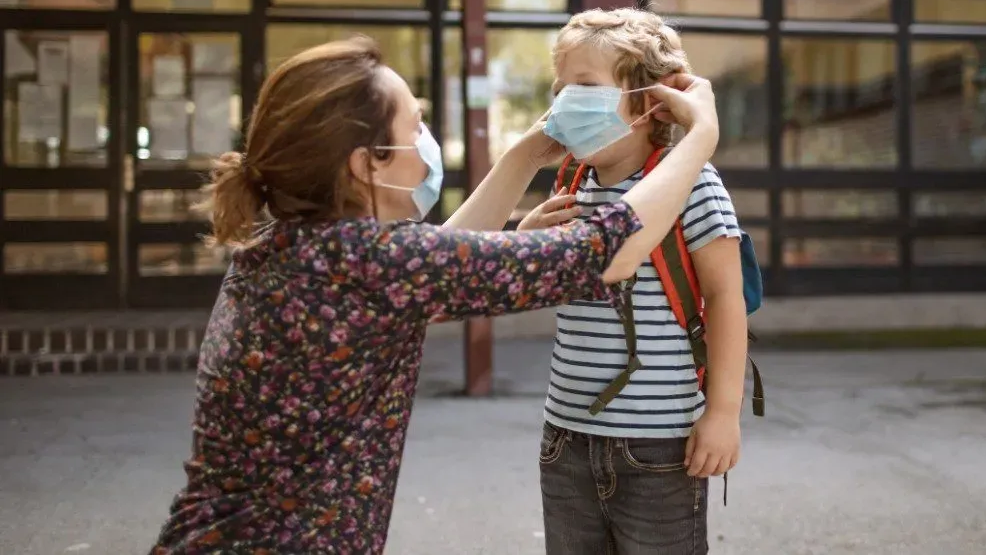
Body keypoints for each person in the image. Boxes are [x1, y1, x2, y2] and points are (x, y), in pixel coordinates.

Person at [148, 35, 722, 555]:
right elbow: (609, 250)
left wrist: (525, 154)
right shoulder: (373, 260)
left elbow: (434, 269)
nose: (425, 141)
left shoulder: (291, 243)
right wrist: (701, 136)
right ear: (366, 165)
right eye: (413, 125)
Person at [517, 8, 747, 555]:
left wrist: (721, 414)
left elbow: (724, 297)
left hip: (660, 443)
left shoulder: (692, 181)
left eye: (584, 86)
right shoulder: (572, 182)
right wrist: (525, 239)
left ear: (648, 103)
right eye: (560, 87)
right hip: (565, 438)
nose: (564, 102)